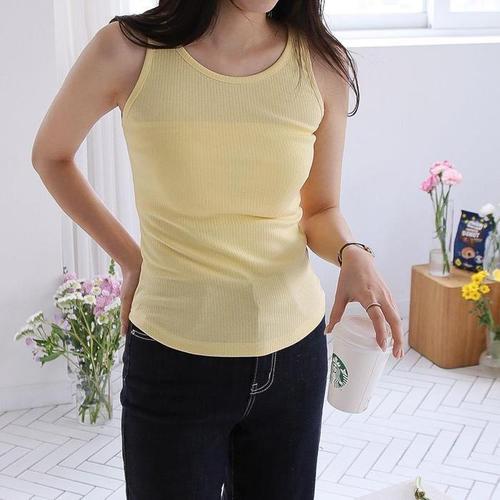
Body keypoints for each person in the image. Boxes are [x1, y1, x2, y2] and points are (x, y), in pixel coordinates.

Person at [31, 1, 405, 498]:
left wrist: (353, 252)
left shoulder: (320, 63)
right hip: (173, 357)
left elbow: (320, 209)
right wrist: (132, 258)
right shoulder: (129, 50)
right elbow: (51, 156)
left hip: (293, 359)